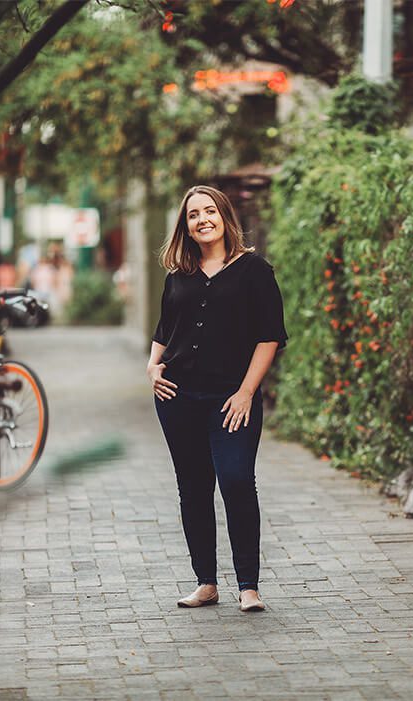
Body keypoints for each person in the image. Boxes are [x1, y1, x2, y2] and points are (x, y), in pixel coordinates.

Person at [147, 185, 287, 613]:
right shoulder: (178, 277)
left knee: (237, 481)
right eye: (193, 215)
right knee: (193, 487)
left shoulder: (255, 271)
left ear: (225, 217)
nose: (202, 219)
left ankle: (249, 586)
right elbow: (164, 332)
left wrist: (247, 392)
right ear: (185, 226)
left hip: (232, 400)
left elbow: (270, 337)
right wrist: (152, 368)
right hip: (179, 398)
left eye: (209, 211)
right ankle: (206, 583)